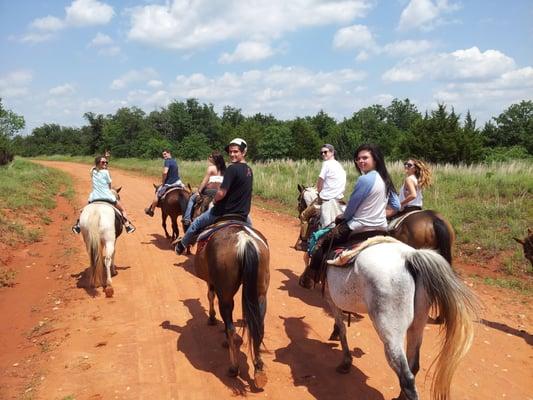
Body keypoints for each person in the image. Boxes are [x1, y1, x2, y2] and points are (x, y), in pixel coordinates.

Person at [303, 144, 400, 283]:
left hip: (358, 226)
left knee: (322, 243)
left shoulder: (364, 179)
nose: (360, 161)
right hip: (381, 228)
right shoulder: (386, 179)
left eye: (365, 158)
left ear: (375, 159)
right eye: (358, 158)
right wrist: (377, 213)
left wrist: (342, 216)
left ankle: (311, 277)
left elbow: (351, 210)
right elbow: (396, 205)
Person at [174, 138, 252, 255]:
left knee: (197, 223)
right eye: (230, 152)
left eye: (236, 151)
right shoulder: (249, 170)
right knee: (251, 231)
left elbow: (221, 193)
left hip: (224, 211)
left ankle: (182, 244)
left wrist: (214, 201)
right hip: (243, 214)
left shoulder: (232, 168)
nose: (232, 154)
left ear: (243, 152)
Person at [72, 156, 135, 234]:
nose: (105, 163)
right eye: (103, 162)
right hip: (107, 196)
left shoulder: (92, 171)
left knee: (83, 210)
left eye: (106, 162)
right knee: (122, 210)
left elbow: (94, 168)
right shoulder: (106, 172)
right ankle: (127, 226)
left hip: (94, 197)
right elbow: (109, 186)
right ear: (98, 163)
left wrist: (100, 162)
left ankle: (78, 225)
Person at [182, 151, 226, 230]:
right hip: (220, 193)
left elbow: (204, 181)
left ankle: (187, 218)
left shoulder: (211, 168)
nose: (209, 157)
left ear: (215, 159)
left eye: (210, 156)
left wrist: (199, 191)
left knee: (192, 198)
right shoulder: (225, 170)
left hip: (209, 192)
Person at [145, 149, 182, 217]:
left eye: (165, 154)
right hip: (178, 182)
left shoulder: (167, 161)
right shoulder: (174, 161)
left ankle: (151, 211)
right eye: (163, 155)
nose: (164, 156)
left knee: (157, 193)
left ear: (169, 153)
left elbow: (165, 172)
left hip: (170, 183)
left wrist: (163, 181)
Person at [316, 144, 346, 228]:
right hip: (339, 200)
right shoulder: (339, 166)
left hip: (327, 201)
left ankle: (305, 239)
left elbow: (320, 182)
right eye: (321, 153)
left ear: (332, 152)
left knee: (304, 215)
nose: (323, 154)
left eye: (325, 152)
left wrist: (318, 193)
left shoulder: (326, 164)